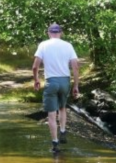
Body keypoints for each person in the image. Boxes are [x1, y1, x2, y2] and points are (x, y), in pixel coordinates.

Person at [32, 23, 79, 153]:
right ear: (60, 33)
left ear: (48, 33)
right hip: (65, 81)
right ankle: (63, 130)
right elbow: (75, 66)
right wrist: (76, 85)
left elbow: (35, 66)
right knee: (62, 108)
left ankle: (55, 143)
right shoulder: (68, 45)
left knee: (51, 114)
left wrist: (36, 80)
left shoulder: (43, 45)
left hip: (51, 81)